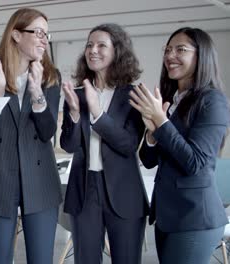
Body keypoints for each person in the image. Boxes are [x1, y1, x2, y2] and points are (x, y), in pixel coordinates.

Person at [130, 27, 229, 264]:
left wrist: (161, 121)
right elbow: (149, 159)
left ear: (201, 55)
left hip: (194, 219)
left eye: (180, 49)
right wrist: (153, 134)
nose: (170, 56)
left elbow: (195, 163)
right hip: (168, 216)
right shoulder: (171, 99)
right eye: (168, 49)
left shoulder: (212, 100)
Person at [0, 8, 62, 264]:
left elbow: (47, 133)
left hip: (40, 181)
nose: (45, 39)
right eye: (38, 32)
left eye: (47, 34)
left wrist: (37, 95)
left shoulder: (50, 77)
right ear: (16, 35)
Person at [60, 23, 148, 264]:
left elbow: (128, 144)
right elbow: (68, 145)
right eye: (89, 45)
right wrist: (76, 114)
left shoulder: (134, 95)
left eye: (101, 45)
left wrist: (97, 113)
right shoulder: (76, 95)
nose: (93, 50)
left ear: (117, 51)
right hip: (84, 189)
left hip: (124, 191)